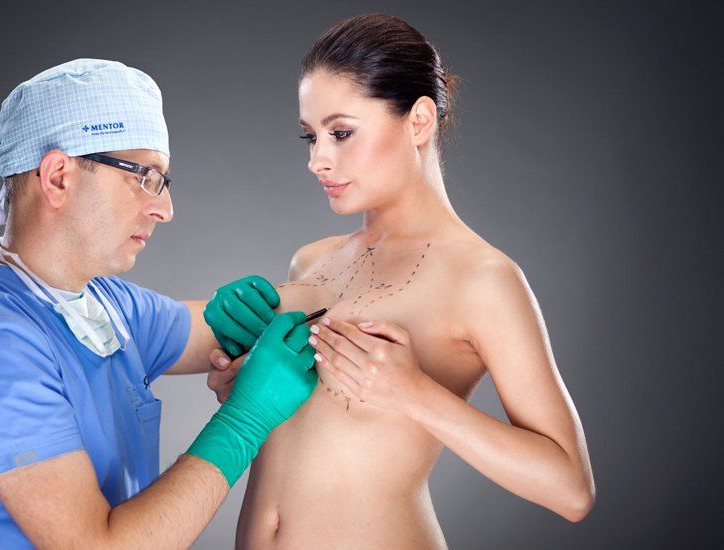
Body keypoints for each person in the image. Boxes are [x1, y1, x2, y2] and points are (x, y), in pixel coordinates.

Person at [205, 14, 596, 548]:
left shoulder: (482, 278)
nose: (318, 160)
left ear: (419, 121)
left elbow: (570, 489)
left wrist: (415, 393)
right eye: (310, 137)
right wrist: (241, 387)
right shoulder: (310, 263)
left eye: (341, 133)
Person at [0, 58, 316, 549]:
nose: (165, 209)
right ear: (57, 177)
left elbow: (208, 332)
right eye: (145, 177)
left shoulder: (95, 302)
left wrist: (243, 321)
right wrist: (246, 420)